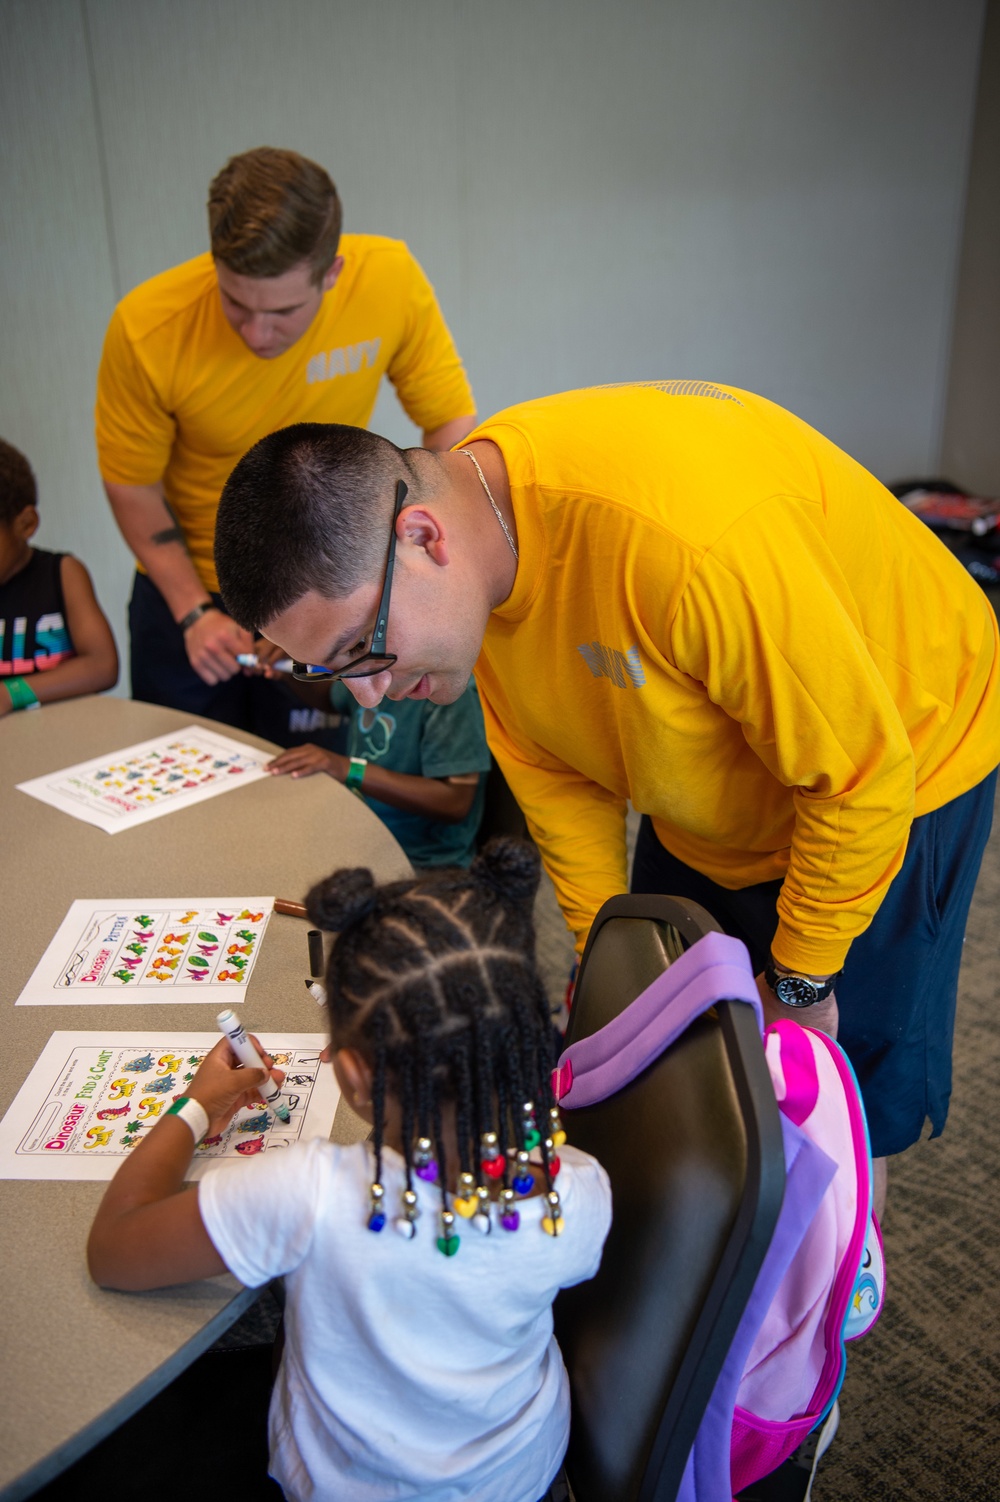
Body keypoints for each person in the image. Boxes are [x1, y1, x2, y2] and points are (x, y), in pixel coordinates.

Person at [211, 392, 1000, 1216]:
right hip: (711, 761)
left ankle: (832, 1276)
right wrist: (602, 961)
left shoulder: (679, 545)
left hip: (900, 755)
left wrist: (802, 981)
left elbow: (859, 774)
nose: (369, 700)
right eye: (328, 670)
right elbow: (557, 777)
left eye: (360, 651)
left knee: (830, 1088)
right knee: (671, 1034)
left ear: (421, 539)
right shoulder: (477, 573)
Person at [87, 839, 612, 1502]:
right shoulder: (581, 1188)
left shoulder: (308, 1192)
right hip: (519, 1476)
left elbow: (113, 1250)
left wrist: (199, 1105)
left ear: (357, 1076)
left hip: (349, 1486)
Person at [96, 145, 476, 739]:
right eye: (235, 303)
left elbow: (451, 425)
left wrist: (399, 563)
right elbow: (131, 484)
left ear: (332, 274)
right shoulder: (145, 328)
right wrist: (193, 613)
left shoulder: (390, 281)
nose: (255, 331)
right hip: (190, 594)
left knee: (313, 786)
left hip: (326, 583)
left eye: (282, 311)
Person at [264, 674, 491, 868]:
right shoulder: (369, 673)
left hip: (422, 861)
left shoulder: (451, 692)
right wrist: (285, 670)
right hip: (362, 836)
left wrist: (348, 769)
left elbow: (456, 802)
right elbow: (332, 697)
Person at [1, 438, 118, 716]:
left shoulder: (63, 573)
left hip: (66, 732)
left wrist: (11, 693)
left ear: (26, 524)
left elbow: (103, 666)